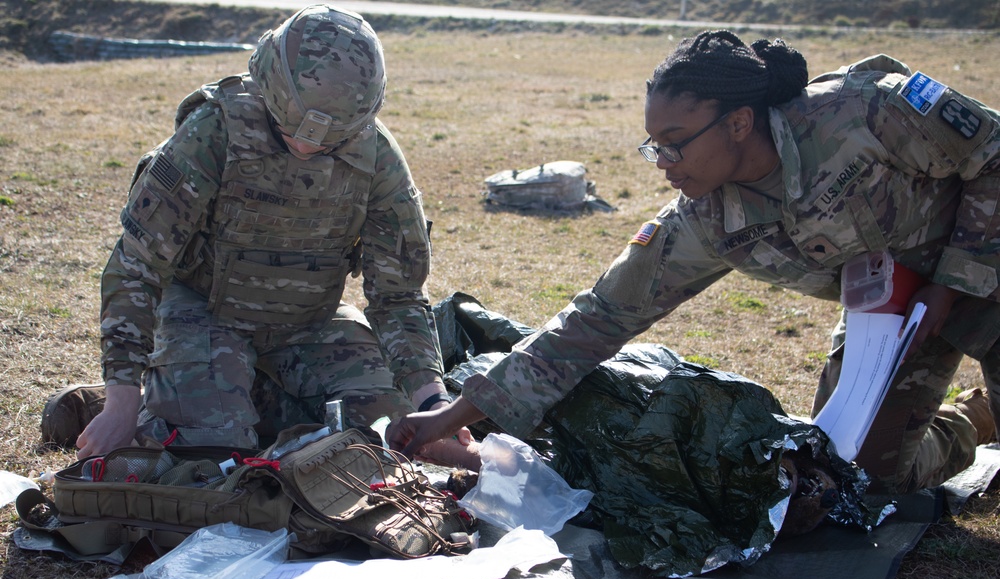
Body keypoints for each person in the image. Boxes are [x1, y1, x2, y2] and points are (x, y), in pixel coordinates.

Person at [388, 30, 1000, 495]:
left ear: (737, 123)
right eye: (654, 144)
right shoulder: (705, 219)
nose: (662, 161)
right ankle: (974, 420)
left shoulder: (860, 113)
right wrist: (451, 414)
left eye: (675, 142)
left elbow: (993, 154)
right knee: (849, 484)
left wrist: (952, 280)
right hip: (889, 320)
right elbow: (594, 322)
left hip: (987, 263)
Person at [42, 5, 463, 460]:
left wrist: (436, 407)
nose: (307, 145)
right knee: (210, 455)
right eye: (292, 127)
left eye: (327, 139)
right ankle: (135, 405)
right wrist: (122, 398)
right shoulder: (213, 133)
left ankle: (219, 395)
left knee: (388, 436)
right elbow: (136, 266)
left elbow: (398, 297)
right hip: (205, 311)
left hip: (310, 323)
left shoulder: (376, 157)